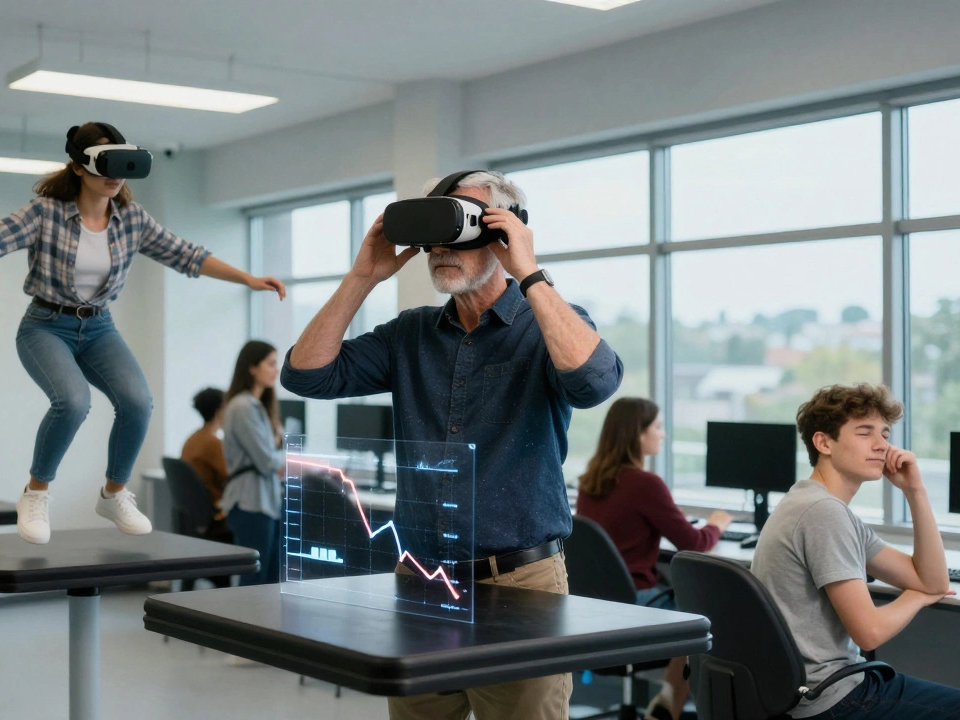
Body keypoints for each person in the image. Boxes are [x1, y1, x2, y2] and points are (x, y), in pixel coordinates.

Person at [282, 170, 623, 720]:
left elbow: (595, 383)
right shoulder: (411, 334)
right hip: (421, 582)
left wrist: (530, 274)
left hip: (521, 585)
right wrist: (363, 275)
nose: (442, 245)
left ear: (505, 232)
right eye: (436, 228)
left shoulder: (548, 325)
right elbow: (306, 375)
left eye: (462, 224)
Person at [0, 122, 285, 545]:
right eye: (104, 165)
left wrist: (247, 278)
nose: (115, 176)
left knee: (138, 402)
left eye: (122, 164)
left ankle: (113, 493)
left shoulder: (131, 219)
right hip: (45, 325)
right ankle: (36, 493)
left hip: (98, 327)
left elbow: (185, 254)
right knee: (73, 401)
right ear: (79, 167)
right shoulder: (46, 213)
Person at [750, 383, 960, 720]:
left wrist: (915, 491)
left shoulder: (813, 502)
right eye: (864, 432)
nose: (882, 445)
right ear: (823, 442)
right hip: (828, 698)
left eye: (885, 434)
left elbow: (931, 580)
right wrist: (915, 598)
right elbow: (869, 631)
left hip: (801, 694)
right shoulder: (823, 513)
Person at [576, 397, 731, 720]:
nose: (662, 435)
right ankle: (669, 702)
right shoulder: (645, 484)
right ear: (638, 435)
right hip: (636, 604)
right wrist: (717, 523)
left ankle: (667, 698)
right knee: (707, 614)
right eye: (657, 428)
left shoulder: (590, 481)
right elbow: (694, 543)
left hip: (597, 610)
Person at [219, 341, 287, 586]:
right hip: (250, 502)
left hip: (266, 501)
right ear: (252, 368)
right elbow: (267, 460)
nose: (276, 370)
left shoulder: (257, 406)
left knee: (270, 576)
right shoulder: (243, 407)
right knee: (255, 578)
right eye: (270, 363)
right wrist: (290, 459)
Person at [180, 387, 234, 588]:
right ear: (221, 409)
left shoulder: (193, 439)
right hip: (215, 520)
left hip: (197, 520)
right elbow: (234, 474)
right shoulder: (212, 443)